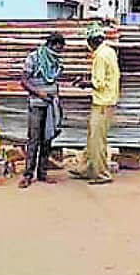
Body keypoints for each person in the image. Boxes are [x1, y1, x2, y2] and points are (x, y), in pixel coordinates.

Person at [69, 23, 120, 185]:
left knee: (97, 141)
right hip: (108, 100)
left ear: (92, 40)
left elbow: (98, 82)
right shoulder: (109, 51)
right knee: (92, 138)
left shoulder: (100, 56)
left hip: (102, 102)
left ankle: (102, 174)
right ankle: (87, 168)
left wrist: (83, 83)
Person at [19, 32, 66, 189]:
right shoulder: (34, 57)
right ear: (51, 45)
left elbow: (54, 79)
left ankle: (42, 173)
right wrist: (39, 92)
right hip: (36, 103)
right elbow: (24, 80)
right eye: (57, 48)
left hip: (51, 104)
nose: (58, 52)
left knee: (48, 138)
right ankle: (27, 175)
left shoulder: (56, 61)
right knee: (33, 139)